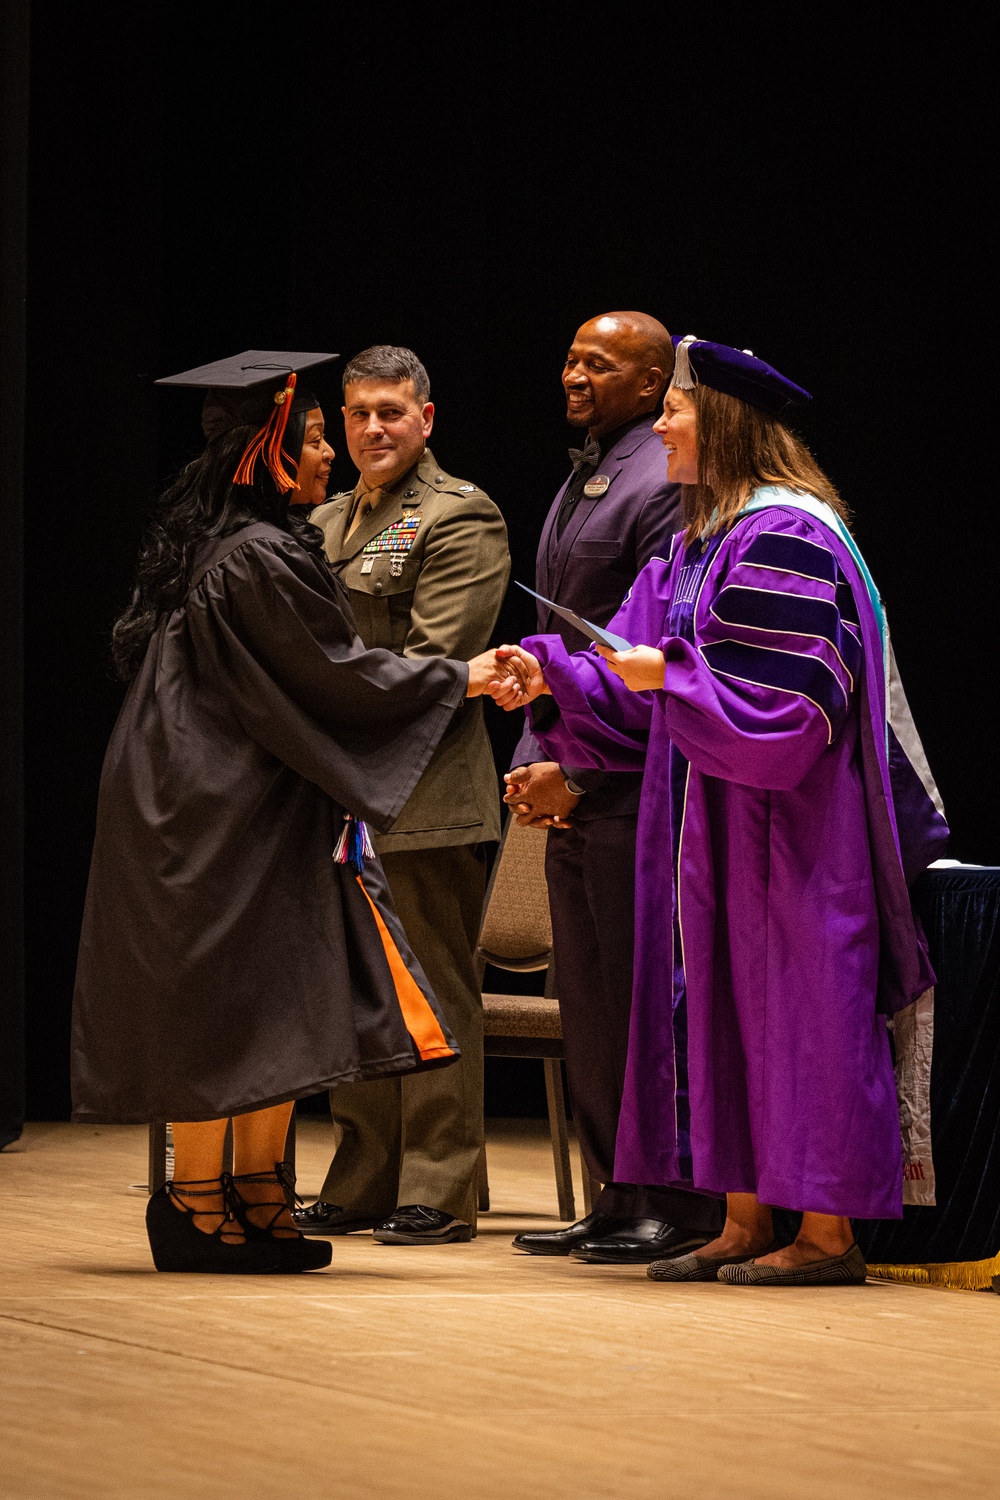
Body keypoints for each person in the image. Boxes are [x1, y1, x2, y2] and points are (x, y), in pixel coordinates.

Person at [491, 334, 948, 1286]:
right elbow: (627, 660)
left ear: (726, 423)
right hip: (711, 822)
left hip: (795, 832)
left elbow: (787, 712)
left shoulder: (789, 532)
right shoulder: (701, 540)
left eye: (677, 409)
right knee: (718, 1014)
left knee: (805, 1018)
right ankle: (742, 1220)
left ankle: (824, 1236)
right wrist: (551, 669)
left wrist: (673, 680)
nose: (659, 425)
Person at [71, 350, 520, 1274]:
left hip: (239, 791)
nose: (333, 451)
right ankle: (197, 1206)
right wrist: (456, 677)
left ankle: (257, 1196)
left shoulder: (258, 544)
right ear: (269, 452)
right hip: (211, 798)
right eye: (318, 434)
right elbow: (331, 672)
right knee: (222, 1000)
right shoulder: (259, 554)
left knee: (275, 995)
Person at [505, 312, 723, 1264]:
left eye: (602, 362)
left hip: (635, 784)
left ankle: (668, 1198)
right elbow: (560, 638)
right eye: (569, 357)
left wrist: (581, 767)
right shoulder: (588, 470)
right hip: (569, 772)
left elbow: (651, 655)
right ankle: (610, 1189)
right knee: (590, 1001)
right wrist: (531, 759)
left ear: (652, 385)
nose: (575, 374)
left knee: (646, 1002)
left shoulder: (660, 483)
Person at [293, 346, 509, 1246]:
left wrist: (319, 695)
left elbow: (429, 661)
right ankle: (363, 1175)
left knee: (432, 988)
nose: (373, 429)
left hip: (422, 789)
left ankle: (439, 1184)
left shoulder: (460, 515)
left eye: (390, 412)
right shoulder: (327, 520)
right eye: (357, 416)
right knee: (357, 989)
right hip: (340, 785)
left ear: (427, 418)